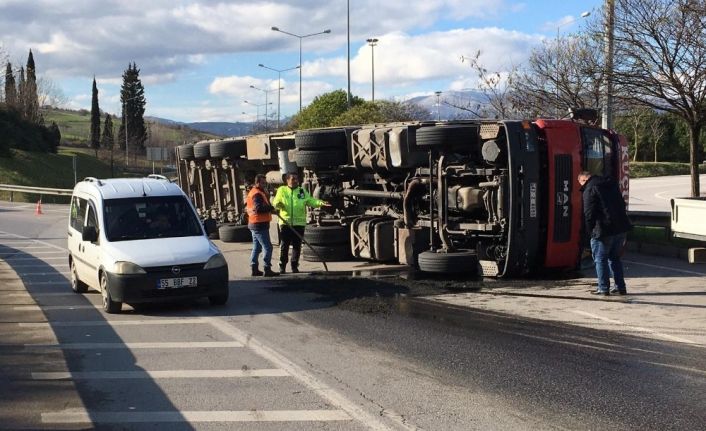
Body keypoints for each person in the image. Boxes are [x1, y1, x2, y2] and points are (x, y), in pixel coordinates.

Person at [578, 171, 632, 296]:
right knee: (615, 258)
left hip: (603, 230)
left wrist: (590, 231)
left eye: (580, 183)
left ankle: (603, 288)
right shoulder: (611, 185)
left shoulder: (590, 188)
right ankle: (620, 287)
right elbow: (622, 204)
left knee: (600, 259)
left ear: (583, 180)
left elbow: (588, 213)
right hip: (620, 228)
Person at [272, 173, 330, 273]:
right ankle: (282, 265)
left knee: (297, 246)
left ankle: (294, 265)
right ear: (287, 180)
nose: (295, 180)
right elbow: (276, 201)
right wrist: (278, 204)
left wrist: (320, 203)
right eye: (293, 179)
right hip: (286, 222)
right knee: (284, 245)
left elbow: (309, 201)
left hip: (299, 223)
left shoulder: (301, 191)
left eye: (296, 179)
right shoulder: (282, 190)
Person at [246, 174, 278, 277]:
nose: (264, 185)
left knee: (257, 247)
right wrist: (271, 208)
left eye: (265, 183)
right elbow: (258, 209)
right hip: (259, 224)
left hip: (254, 223)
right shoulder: (257, 194)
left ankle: (254, 268)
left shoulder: (256, 192)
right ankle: (267, 268)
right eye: (263, 183)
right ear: (257, 183)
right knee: (268, 247)